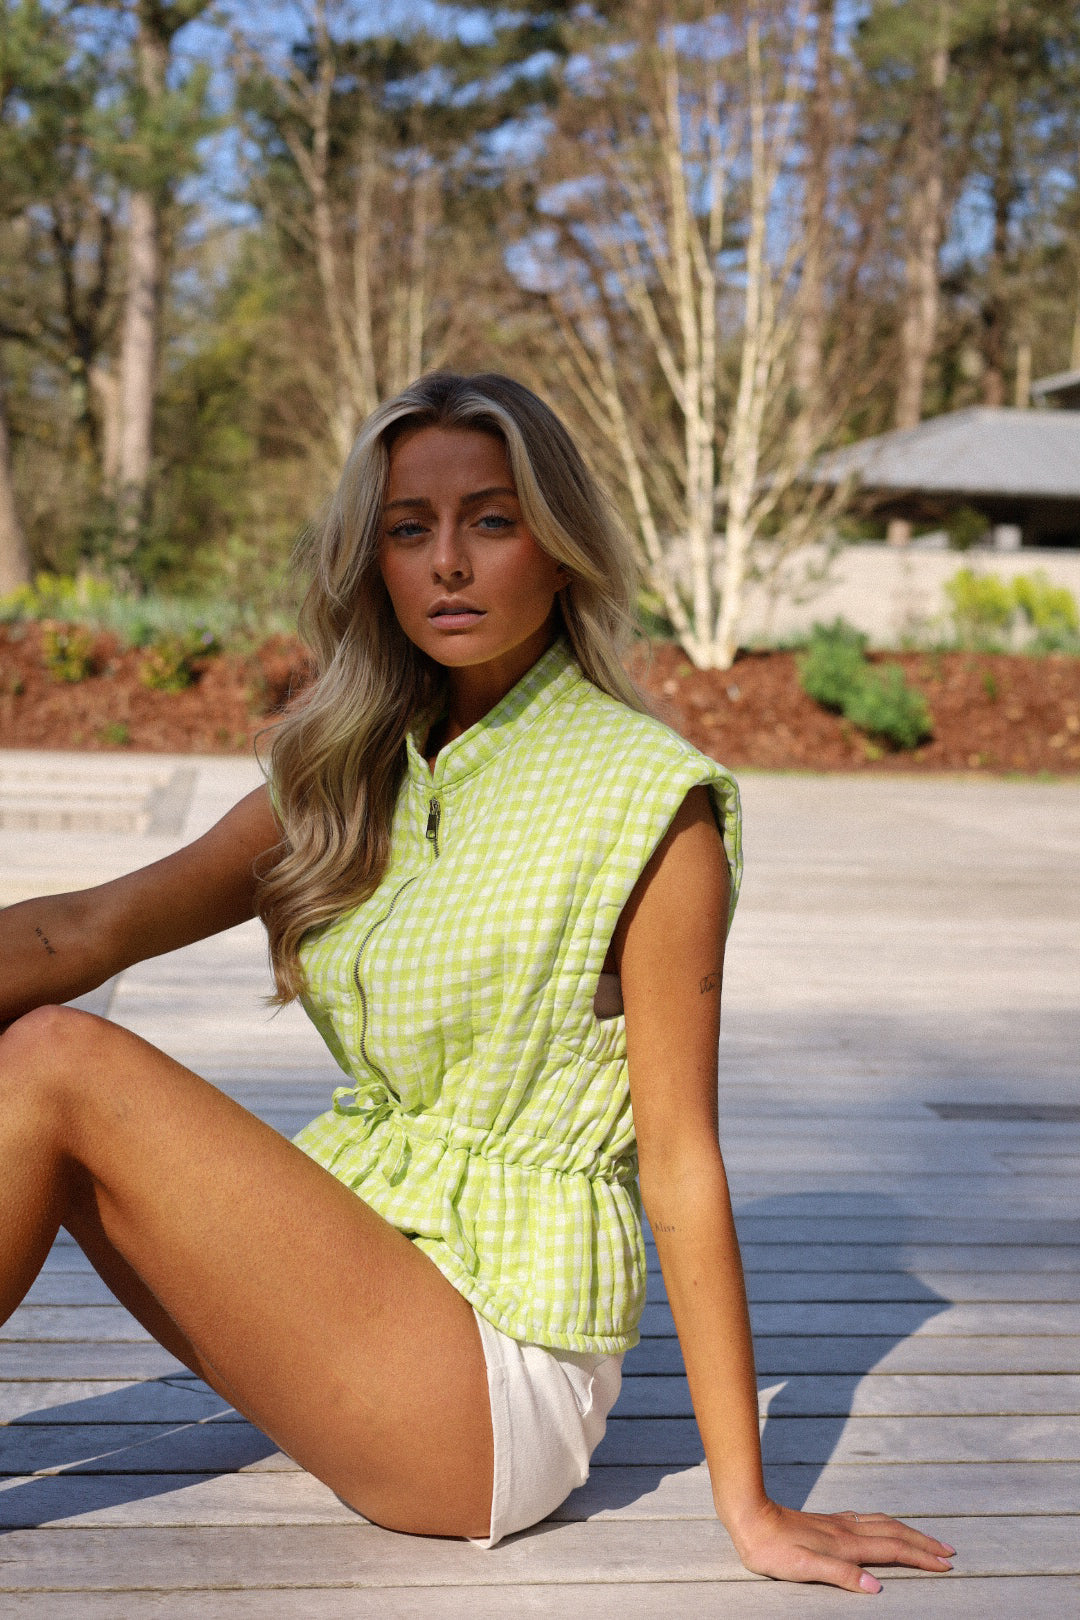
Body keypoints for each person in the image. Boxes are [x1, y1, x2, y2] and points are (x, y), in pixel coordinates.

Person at [0, 372, 954, 1590]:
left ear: (557, 548)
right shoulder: (353, 770)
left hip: (496, 1386)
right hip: (369, 1278)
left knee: (57, 1062)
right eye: (410, 529)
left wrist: (752, 1505)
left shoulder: (646, 800)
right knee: (35, 1038)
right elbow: (90, 928)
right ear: (377, 564)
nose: (447, 561)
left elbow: (681, 1160)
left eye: (491, 522)